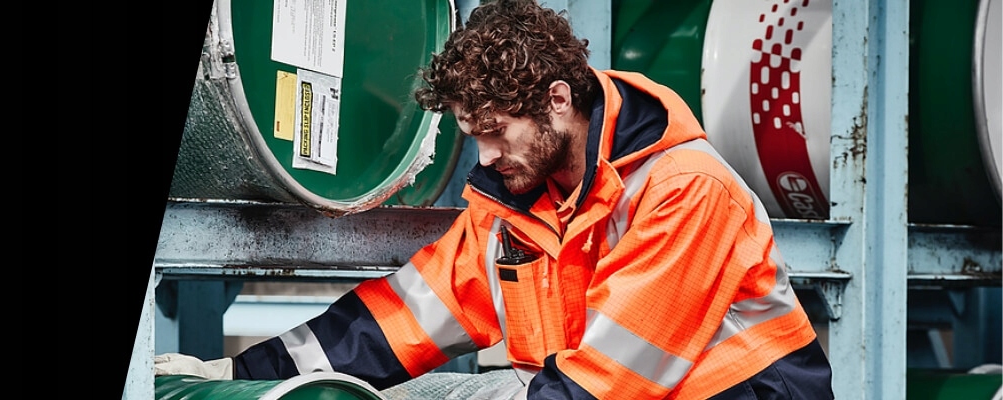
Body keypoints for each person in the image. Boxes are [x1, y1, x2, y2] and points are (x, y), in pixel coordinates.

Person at [155, 0, 834, 398]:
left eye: (495, 132)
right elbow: (400, 321)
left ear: (558, 100)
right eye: (471, 135)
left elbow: (609, 383)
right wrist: (246, 375)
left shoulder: (684, 190)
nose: (481, 157)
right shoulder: (517, 207)